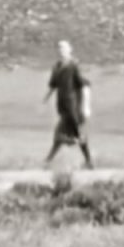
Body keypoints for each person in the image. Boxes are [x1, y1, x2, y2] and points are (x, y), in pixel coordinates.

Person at [44, 39, 94, 170]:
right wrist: (46, 98)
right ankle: (88, 161)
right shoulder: (57, 66)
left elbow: (83, 85)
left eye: (63, 48)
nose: (61, 50)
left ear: (69, 50)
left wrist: (85, 106)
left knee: (67, 134)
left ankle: (48, 161)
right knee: (68, 135)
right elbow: (53, 85)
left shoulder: (73, 66)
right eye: (59, 48)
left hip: (73, 107)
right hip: (62, 106)